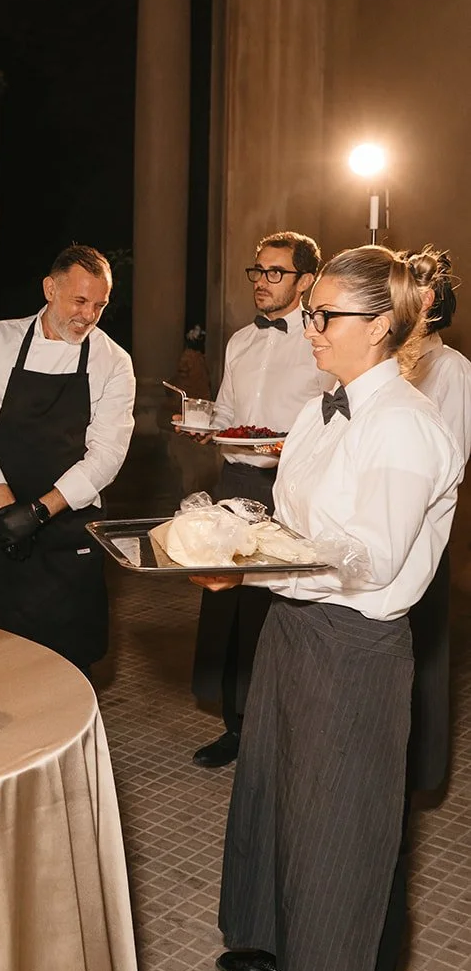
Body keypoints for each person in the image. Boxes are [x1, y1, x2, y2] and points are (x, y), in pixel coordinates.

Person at [203, 245, 462, 971]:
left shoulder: (404, 425)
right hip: (290, 628)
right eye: (307, 312)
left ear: (380, 325)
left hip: (354, 646)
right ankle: (281, 941)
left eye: (323, 316)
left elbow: (372, 560)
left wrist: (254, 562)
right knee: (278, 793)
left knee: (343, 832)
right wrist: (224, 539)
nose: (306, 328)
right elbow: (290, 522)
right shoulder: (322, 411)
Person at [0, 244, 134, 674]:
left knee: (70, 667)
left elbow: (106, 455)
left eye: (100, 305)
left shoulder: (113, 362)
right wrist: (5, 505)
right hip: (2, 523)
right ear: (50, 289)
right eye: (79, 300)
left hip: (70, 529)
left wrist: (38, 511)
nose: (88, 315)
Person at [190, 230, 329, 768]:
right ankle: (236, 726)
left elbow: (331, 419)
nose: (262, 283)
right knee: (227, 604)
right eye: (258, 271)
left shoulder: (320, 342)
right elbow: (228, 413)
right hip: (235, 484)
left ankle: (277, 731)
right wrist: (206, 426)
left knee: (276, 609)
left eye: (276, 273)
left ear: (306, 281)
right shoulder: (239, 341)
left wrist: (286, 443)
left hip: (289, 488)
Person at [403, 248, 471, 791]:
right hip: (386, 526)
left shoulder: (452, 368)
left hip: (421, 530)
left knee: (423, 650)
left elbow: (448, 460)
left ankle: (422, 773)